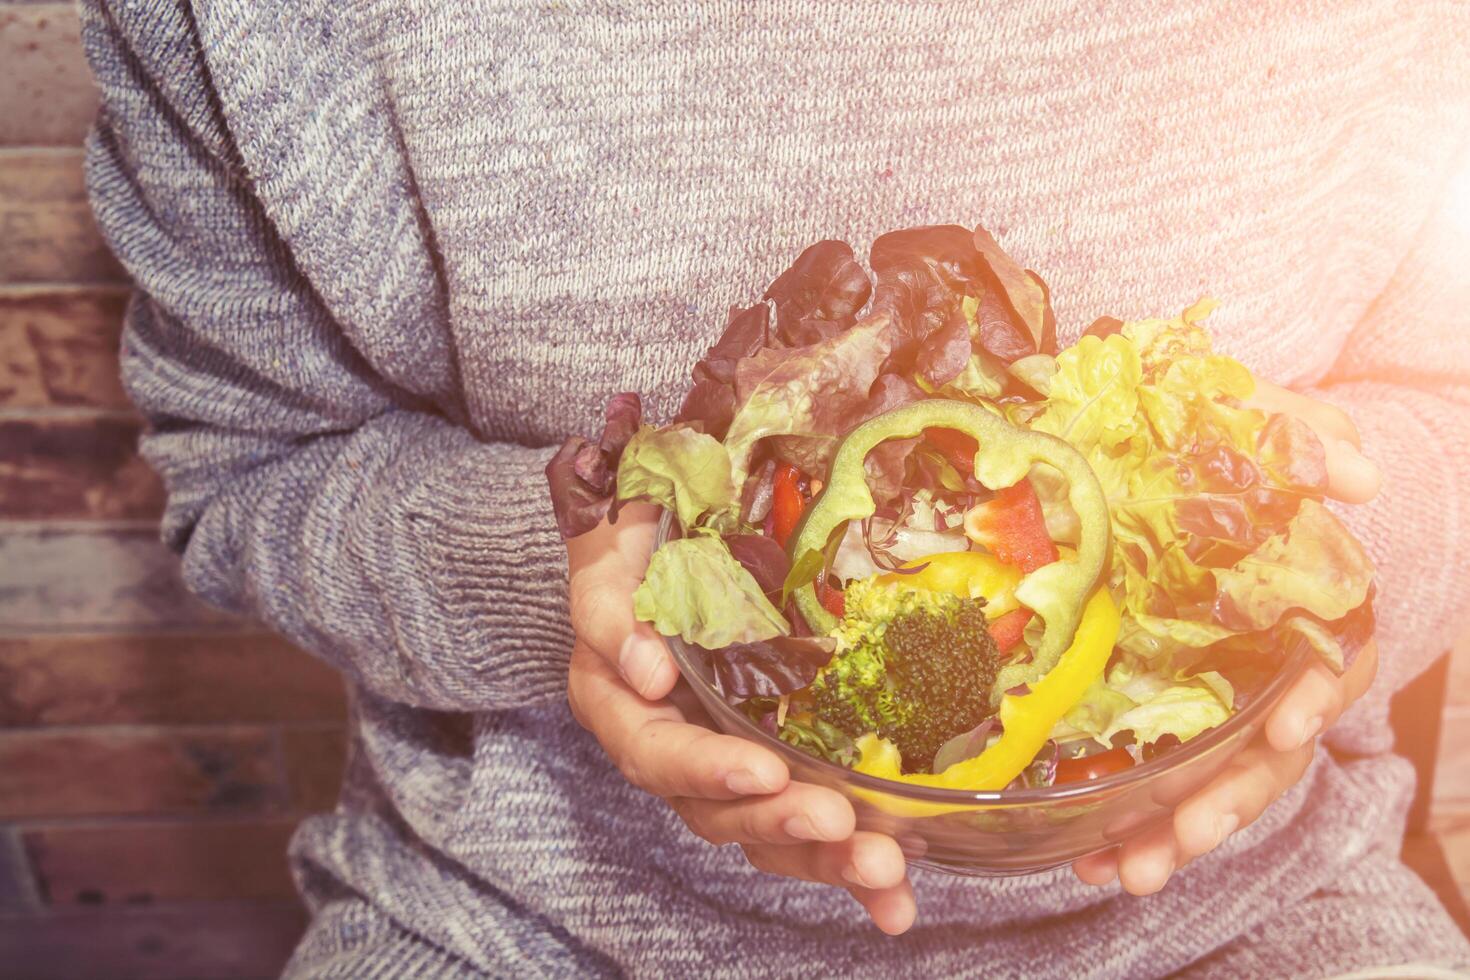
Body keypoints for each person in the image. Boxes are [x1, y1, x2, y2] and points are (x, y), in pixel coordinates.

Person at [79, 1, 1470, 976]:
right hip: (520, 924)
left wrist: (1327, 576)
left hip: (1251, 916)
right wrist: (567, 582)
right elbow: (254, 473)